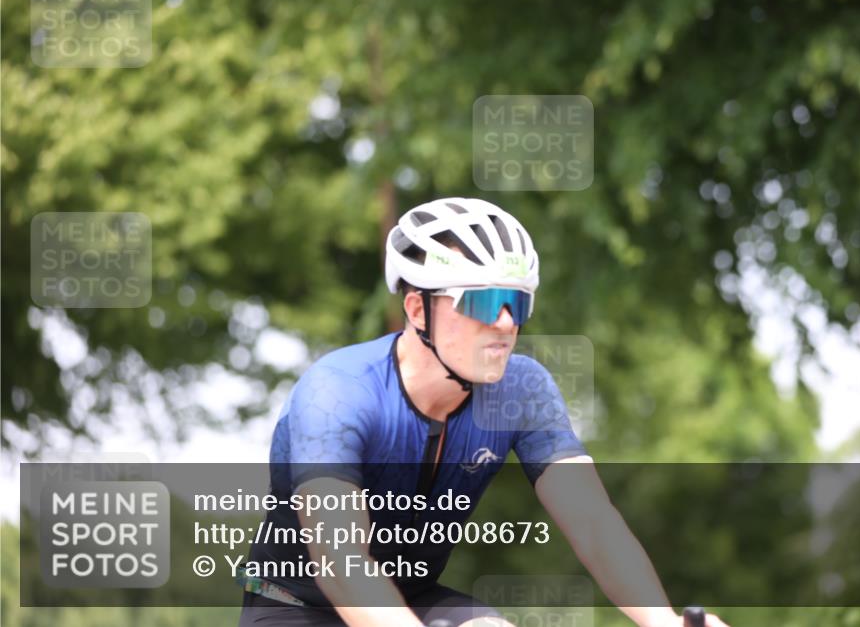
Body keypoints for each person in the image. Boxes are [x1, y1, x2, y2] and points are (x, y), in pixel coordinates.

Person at [239, 197, 729, 627]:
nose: (505, 322)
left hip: (415, 599)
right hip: (295, 606)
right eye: (484, 300)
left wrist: (663, 621)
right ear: (416, 309)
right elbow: (340, 561)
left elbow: (592, 521)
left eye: (517, 302)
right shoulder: (338, 392)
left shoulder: (522, 388)